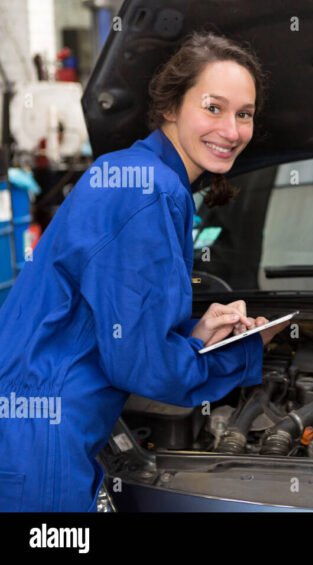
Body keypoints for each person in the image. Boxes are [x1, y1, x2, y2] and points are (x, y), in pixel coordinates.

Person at [0, 32, 286, 511]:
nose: (232, 130)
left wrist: (194, 337)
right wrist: (245, 353)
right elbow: (139, 364)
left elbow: (110, 325)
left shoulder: (139, 174)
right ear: (171, 106)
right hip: (42, 444)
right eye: (213, 108)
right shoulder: (147, 190)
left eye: (244, 114)